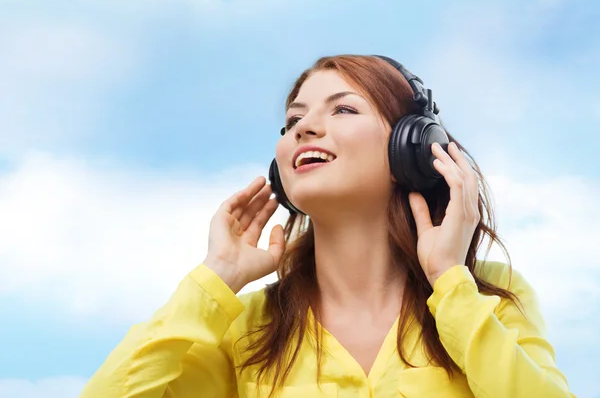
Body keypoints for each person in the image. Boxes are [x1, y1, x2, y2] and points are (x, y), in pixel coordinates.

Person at [79, 55, 576, 398]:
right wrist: (216, 277)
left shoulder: (491, 295)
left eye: (343, 109)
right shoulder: (242, 326)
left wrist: (450, 283)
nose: (304, 127)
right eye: (293, 119)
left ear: (413, 148)